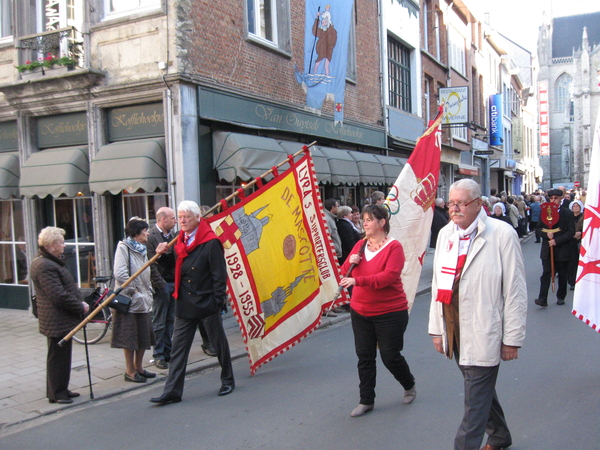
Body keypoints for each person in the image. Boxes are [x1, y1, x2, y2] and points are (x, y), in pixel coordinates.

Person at [429, 179, 527, 450]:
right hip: (455, 328)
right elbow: (439, 285)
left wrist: (513, 338)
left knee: (474, 400)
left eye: (461, 203)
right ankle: (499, 436)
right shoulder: (446, 234)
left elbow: (515, 290)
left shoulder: (501, 234)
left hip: (486, 329)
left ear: (478, 204)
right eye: (451, 202)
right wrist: (437, 330)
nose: (455, 208)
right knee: (480, 390)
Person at [150, 201, 235, 405]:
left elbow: (218, 275)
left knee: (218, 344)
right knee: (178, 349)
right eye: (180, 217)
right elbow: (174, 266)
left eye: (187, 216)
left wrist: (217, 301)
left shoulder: (210, 242)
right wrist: (160, 255)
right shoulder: (180, 240)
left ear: (198, 218)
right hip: (185, 303)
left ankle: (228, 380)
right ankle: (172, 391)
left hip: (206, 302)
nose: (182, 220)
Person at [339, 204, 416, 418]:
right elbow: (344, 272)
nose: (364, 223)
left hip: (390, 312)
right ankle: (366, 400)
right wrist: (350, 263)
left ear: (382, 222)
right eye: (363, 219)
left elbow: (388, 277)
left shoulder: (394, 247)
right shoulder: (360, 245)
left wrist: (357, 280)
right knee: (364, 356)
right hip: (361, 311)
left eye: (369, 219)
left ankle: (408, 383)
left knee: (390, 356)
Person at [30, 226, 89, 404]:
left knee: (62, 356)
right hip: (55, 318)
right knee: (57, 356)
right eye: (61, 243)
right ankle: (57, 393)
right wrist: (79, 306)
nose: (64, 246)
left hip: (59, 317)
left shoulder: (49, 261)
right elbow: (57, 295)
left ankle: (61, 388)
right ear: (52, 245)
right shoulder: (44, 265)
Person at [112, 217, 167, 383]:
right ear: (136, 233)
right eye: (145, 230)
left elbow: (146, 271)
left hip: (143, 300)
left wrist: (146, 291)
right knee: (130, 337)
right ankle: (129, 371)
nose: (148, 233)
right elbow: (120, 274)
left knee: (143, 336)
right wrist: (134, 291)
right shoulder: (124, 248)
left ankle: (139, 367)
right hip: (130, 301)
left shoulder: (142, 249)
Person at [146, 207, 178, 370]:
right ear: (163, 219)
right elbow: (151, 265)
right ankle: (158, 354)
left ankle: (168, 350)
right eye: (173, 218)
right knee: (159, 320)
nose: (176, 221)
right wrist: (161, 285)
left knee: (170, 319)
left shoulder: (172, 235)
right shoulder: (151, 237)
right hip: (161, 284)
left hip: (173, 282)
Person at [534, 189, 575, 307]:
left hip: (562, 249)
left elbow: (570, 231)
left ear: (561, 198)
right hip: (547, 249)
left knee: (562, 274)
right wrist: (546, 234)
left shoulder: (567, 213)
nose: (553, 200)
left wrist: (556, 240)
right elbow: (538, 228)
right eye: (551, 198)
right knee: (546, 273)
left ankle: (561, 296)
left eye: (556, 198)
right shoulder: (544, 212)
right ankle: (542, 298)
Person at [323, 198, 343, 316]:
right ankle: (328, 307)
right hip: (330, 255)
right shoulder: (327, 218)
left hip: (334, 254)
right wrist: (334, 248)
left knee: (333, 281)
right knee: (329, 281)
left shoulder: (330, 217)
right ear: (332, 207)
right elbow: (327, 238)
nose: (338, 207)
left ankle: (332, 305)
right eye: (337, 205)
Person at [567, 200, 584, 290]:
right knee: (572, 263)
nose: (576, 207)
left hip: (582, 241)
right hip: (571, 242)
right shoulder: (569, 217)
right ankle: (572, 281)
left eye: (577, 206)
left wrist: (580, 233)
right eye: (574, 206)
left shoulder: (584, 217)